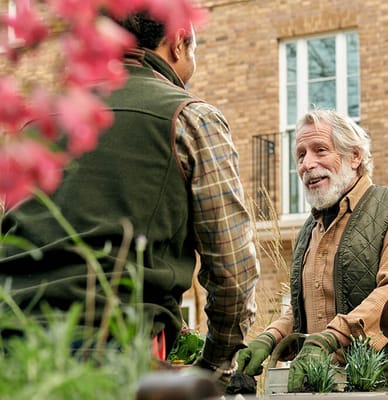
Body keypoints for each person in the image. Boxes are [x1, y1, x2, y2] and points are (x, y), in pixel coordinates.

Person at [0, 11, 258, 378]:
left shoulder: (36, 125)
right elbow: (233, 271)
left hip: (15, 346)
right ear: (178, 41)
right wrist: (216, 363)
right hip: (118, 347)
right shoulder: (191, 118)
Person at [236, 109, 388, 392]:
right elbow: (305, 307)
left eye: (320, 150)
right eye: (300, 155)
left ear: (355, 157)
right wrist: (270, 337)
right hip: (324, 389)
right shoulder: (310, 229)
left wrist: (331, 337)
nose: (307, 164)